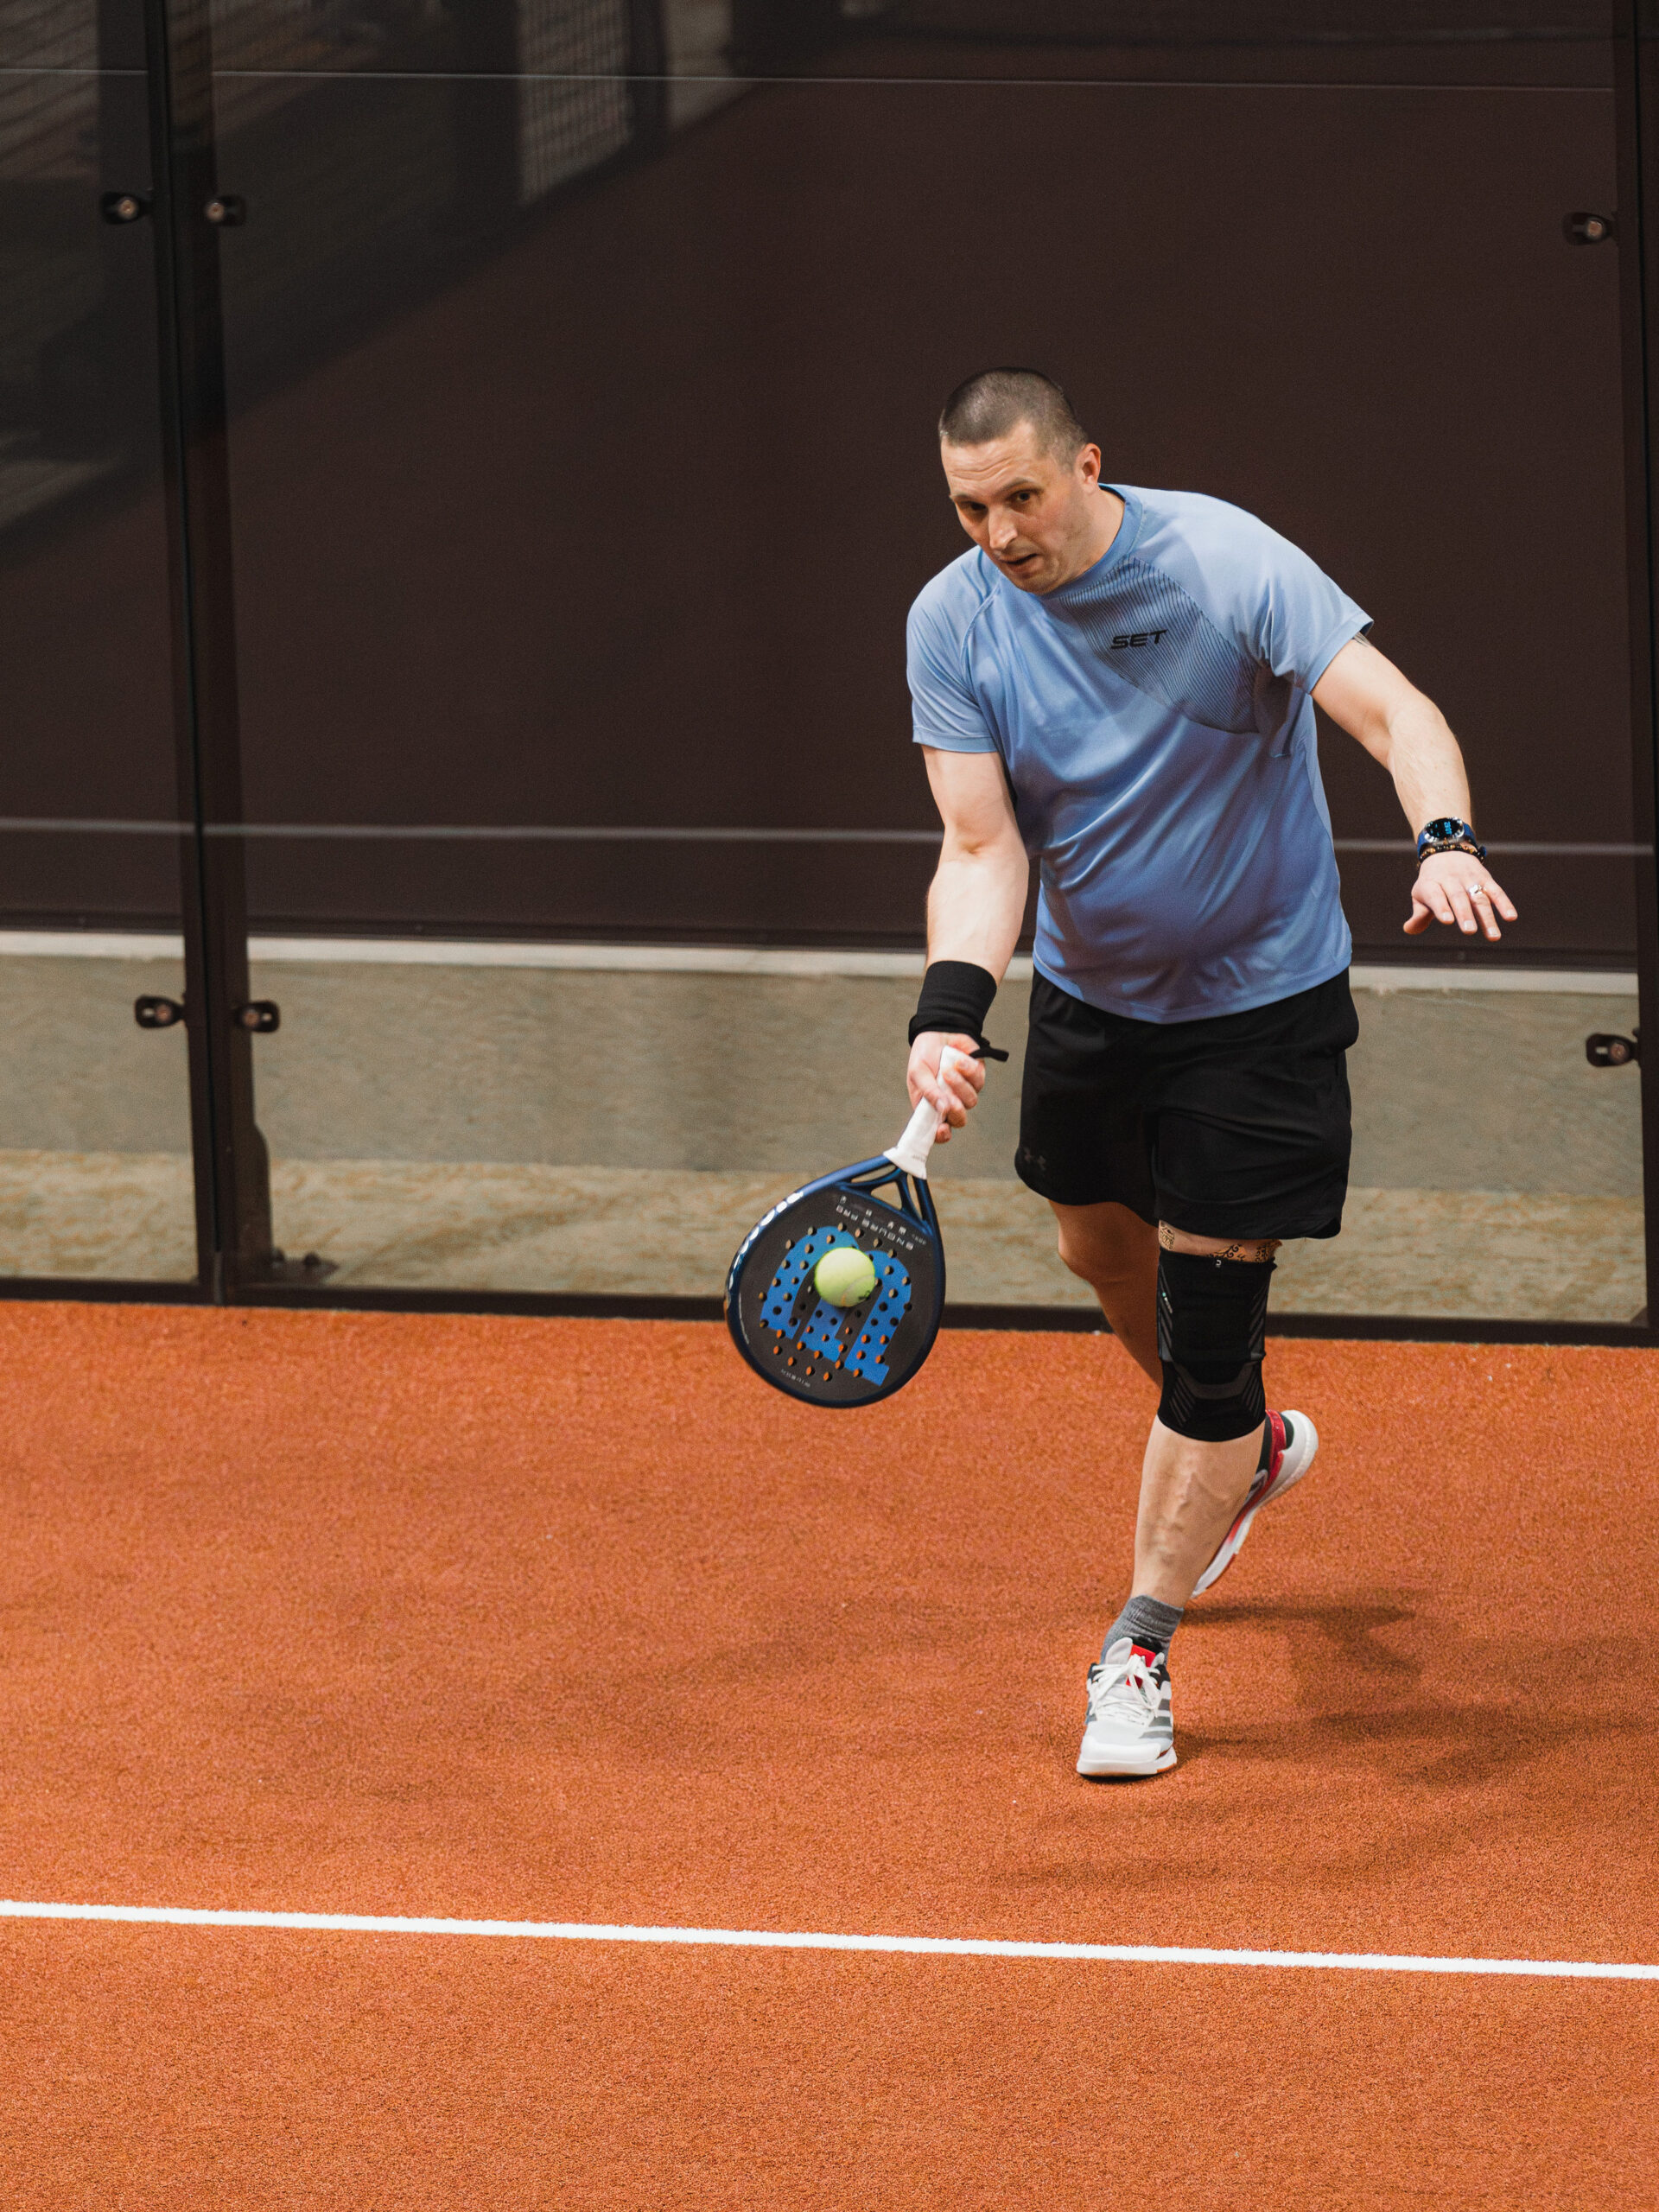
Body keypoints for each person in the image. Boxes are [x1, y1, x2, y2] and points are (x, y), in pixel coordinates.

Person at [905, 366, 1516, 1778]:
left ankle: (1138, 1646)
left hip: (1259, 1013)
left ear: (1086, 467)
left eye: (1021, 497)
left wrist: (1445, 839)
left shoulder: (1224, 561)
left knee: (1211, 1319)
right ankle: (1245, 1441)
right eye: (970, 508)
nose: (1000, 534)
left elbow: (1396, 712)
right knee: (1097, 1252)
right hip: (1092, 1003)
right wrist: (949, 1014)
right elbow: (983, 847)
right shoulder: (954, 619)